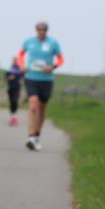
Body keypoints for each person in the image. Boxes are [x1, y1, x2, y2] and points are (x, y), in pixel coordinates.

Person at [18, 21, 64, 150]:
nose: (41, 32)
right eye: (39, 30)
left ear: (47, 31)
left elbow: (61, 58)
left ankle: (37, 134)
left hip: (46, 79)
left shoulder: (52, 43)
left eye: (44, 30)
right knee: (33, 104)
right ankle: (31, 136)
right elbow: (20, 54)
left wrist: (53, 66)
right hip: (31, 77)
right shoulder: (29, 42)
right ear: (36, 30)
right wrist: (22, 66)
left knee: (42, 108)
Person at [5, 57, 24, 126]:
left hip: (17, 89)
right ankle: (12, 116)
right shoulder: (9, 70)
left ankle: (14, 117)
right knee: (11, 102)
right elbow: (6, 77)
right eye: (15, 61)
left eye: (17, 61)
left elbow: (23, 78)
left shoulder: (21, 70)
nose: (16, 62)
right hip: (10, 88)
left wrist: (22, 81)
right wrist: (9, 77)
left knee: (15, 101)